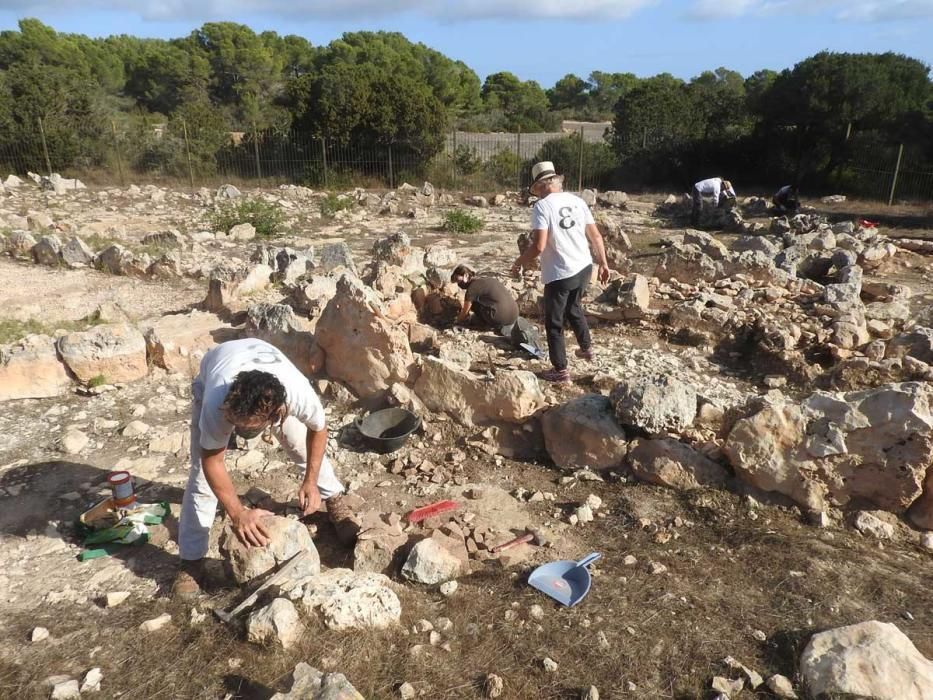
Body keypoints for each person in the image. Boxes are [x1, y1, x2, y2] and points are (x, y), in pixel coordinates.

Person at [173, 338, 353, 599]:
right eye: (237, 424)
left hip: (261, 369)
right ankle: (191, 563)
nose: (241, 431)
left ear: (277, 415)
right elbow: (211, 461)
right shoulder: (218, 402)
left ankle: (334, 500)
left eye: (249, 427)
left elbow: (318, 430)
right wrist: (237, 513)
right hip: (217, 365)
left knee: (301, 447)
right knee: (202, 481)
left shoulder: (298, 394)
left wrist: (310, 482)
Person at [510, 161, 610, 383]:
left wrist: (519, 262)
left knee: (554, 322)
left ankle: (561, 370)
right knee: (574, 307)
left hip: (561, 271)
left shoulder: (542, 207)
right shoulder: (577, 201)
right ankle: (586, 348)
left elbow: (539, 246)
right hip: (584, 266)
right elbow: (595, 236)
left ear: (541, 186)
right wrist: (603, 263)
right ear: (555, 181)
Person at [451, 264, 519, 333]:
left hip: (500, 318)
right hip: (514, 315)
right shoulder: (487, 279)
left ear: (466, 276)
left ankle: (487, 324)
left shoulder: (472, 289)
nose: (458, 284)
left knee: (474, 304)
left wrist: (456, 321)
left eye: (458, 280)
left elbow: (465, 313)